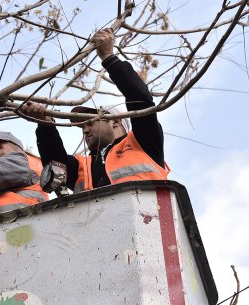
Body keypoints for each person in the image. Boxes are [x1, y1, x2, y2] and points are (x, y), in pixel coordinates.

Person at [21, 28, 168, 192]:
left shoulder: (143, 143)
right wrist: (45, 125)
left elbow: (140, 98)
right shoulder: (83, 167)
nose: (85, 130)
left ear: (116, 121)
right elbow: (56, 164)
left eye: (89, 122)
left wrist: (108, 57)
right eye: (83, 126)